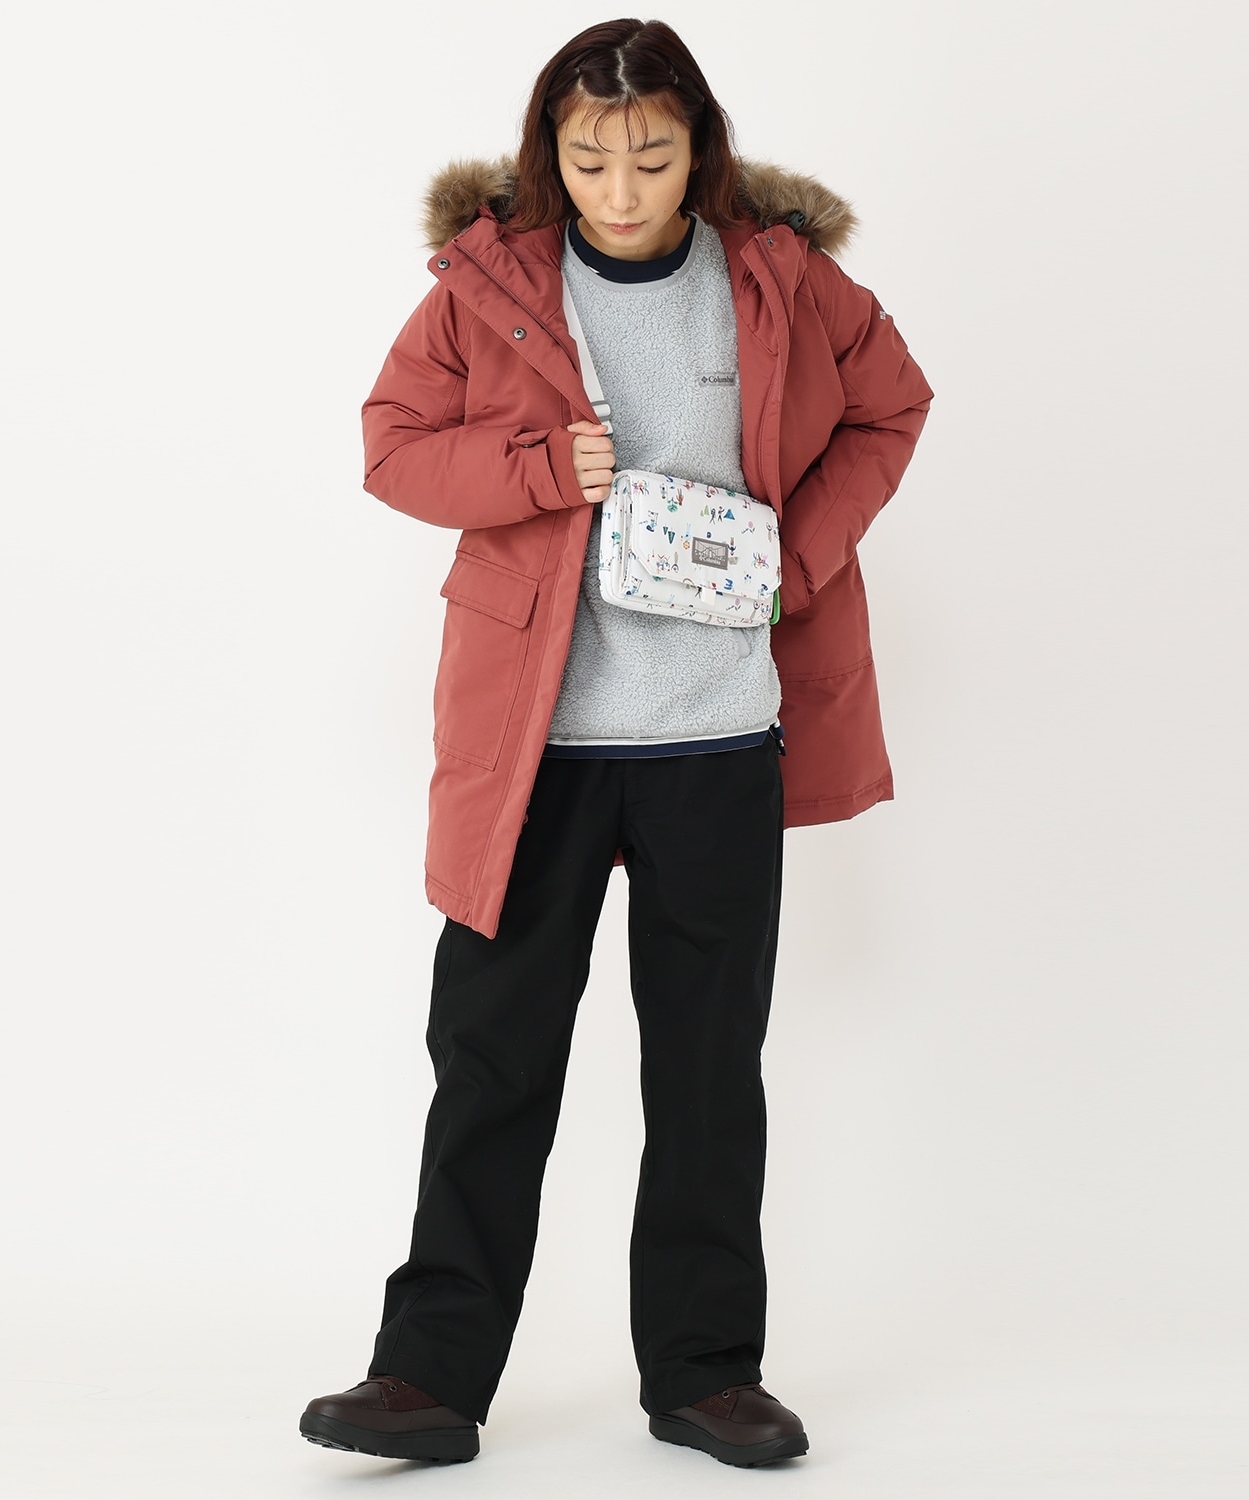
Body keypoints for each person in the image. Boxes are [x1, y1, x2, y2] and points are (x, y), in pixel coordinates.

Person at [300, 16, 933, 1470]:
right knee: (491, 1058)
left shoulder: (780, 278)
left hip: (716, 740)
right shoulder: (491, 282)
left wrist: (796, 561)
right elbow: (392, 444)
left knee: (706, 1069)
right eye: (590, 160)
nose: (622, 189)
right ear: (553, 155)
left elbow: (891, 405)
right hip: (537, 750)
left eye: (652, 155)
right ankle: (428, 1378)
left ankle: (706, 1376)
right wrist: (534, 466)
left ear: (698, 148)